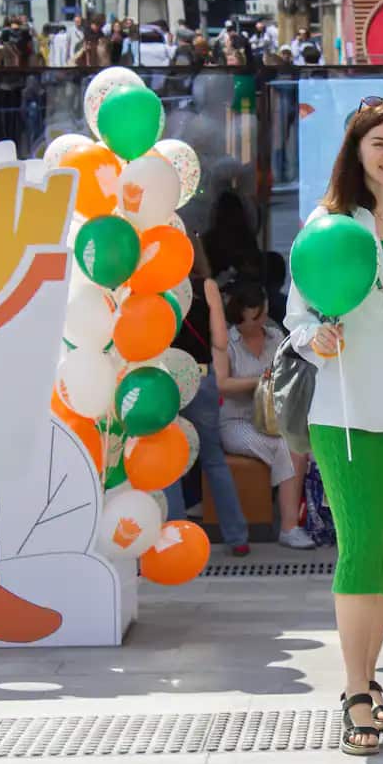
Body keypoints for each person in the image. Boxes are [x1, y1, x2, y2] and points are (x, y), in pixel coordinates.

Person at [284, 94, 383, 755]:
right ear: (356, 150)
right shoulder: (326, 223)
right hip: (345, 410)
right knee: (360, 545)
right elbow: (298, 315)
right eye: (379, 142)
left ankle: (369, 679)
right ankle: (355, 690)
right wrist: (312, 338)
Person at [166, 235, 252, 557]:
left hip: (166, 379)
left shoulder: (156, 286)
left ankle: (174, 539)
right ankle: (237, 536)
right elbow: (219, 340)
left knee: (171, 462)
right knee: (213, 461)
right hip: (201, 377)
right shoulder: (208, 287)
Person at [217, 281, 314, 551]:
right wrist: (259, 381)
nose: (260, 322)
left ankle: (304, 521)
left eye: (262, 314)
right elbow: (222, 384)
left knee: (300, 442)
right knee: (287, 447)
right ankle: (289, 527)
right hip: (237, 422)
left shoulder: (274, 336)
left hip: (274, 419)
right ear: (239, 317)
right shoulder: (227, 342)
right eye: (253, 318)